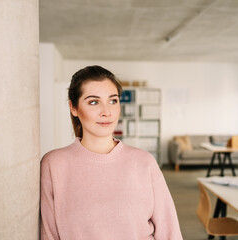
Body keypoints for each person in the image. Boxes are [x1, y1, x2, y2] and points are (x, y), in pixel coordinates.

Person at [40, 65, 183, 240]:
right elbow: (48, 234)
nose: (106, 112)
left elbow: (170, 232)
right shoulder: (53, 164)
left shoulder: (144, 162)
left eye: (113, 101)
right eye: (94, 102)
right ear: (73, 108)